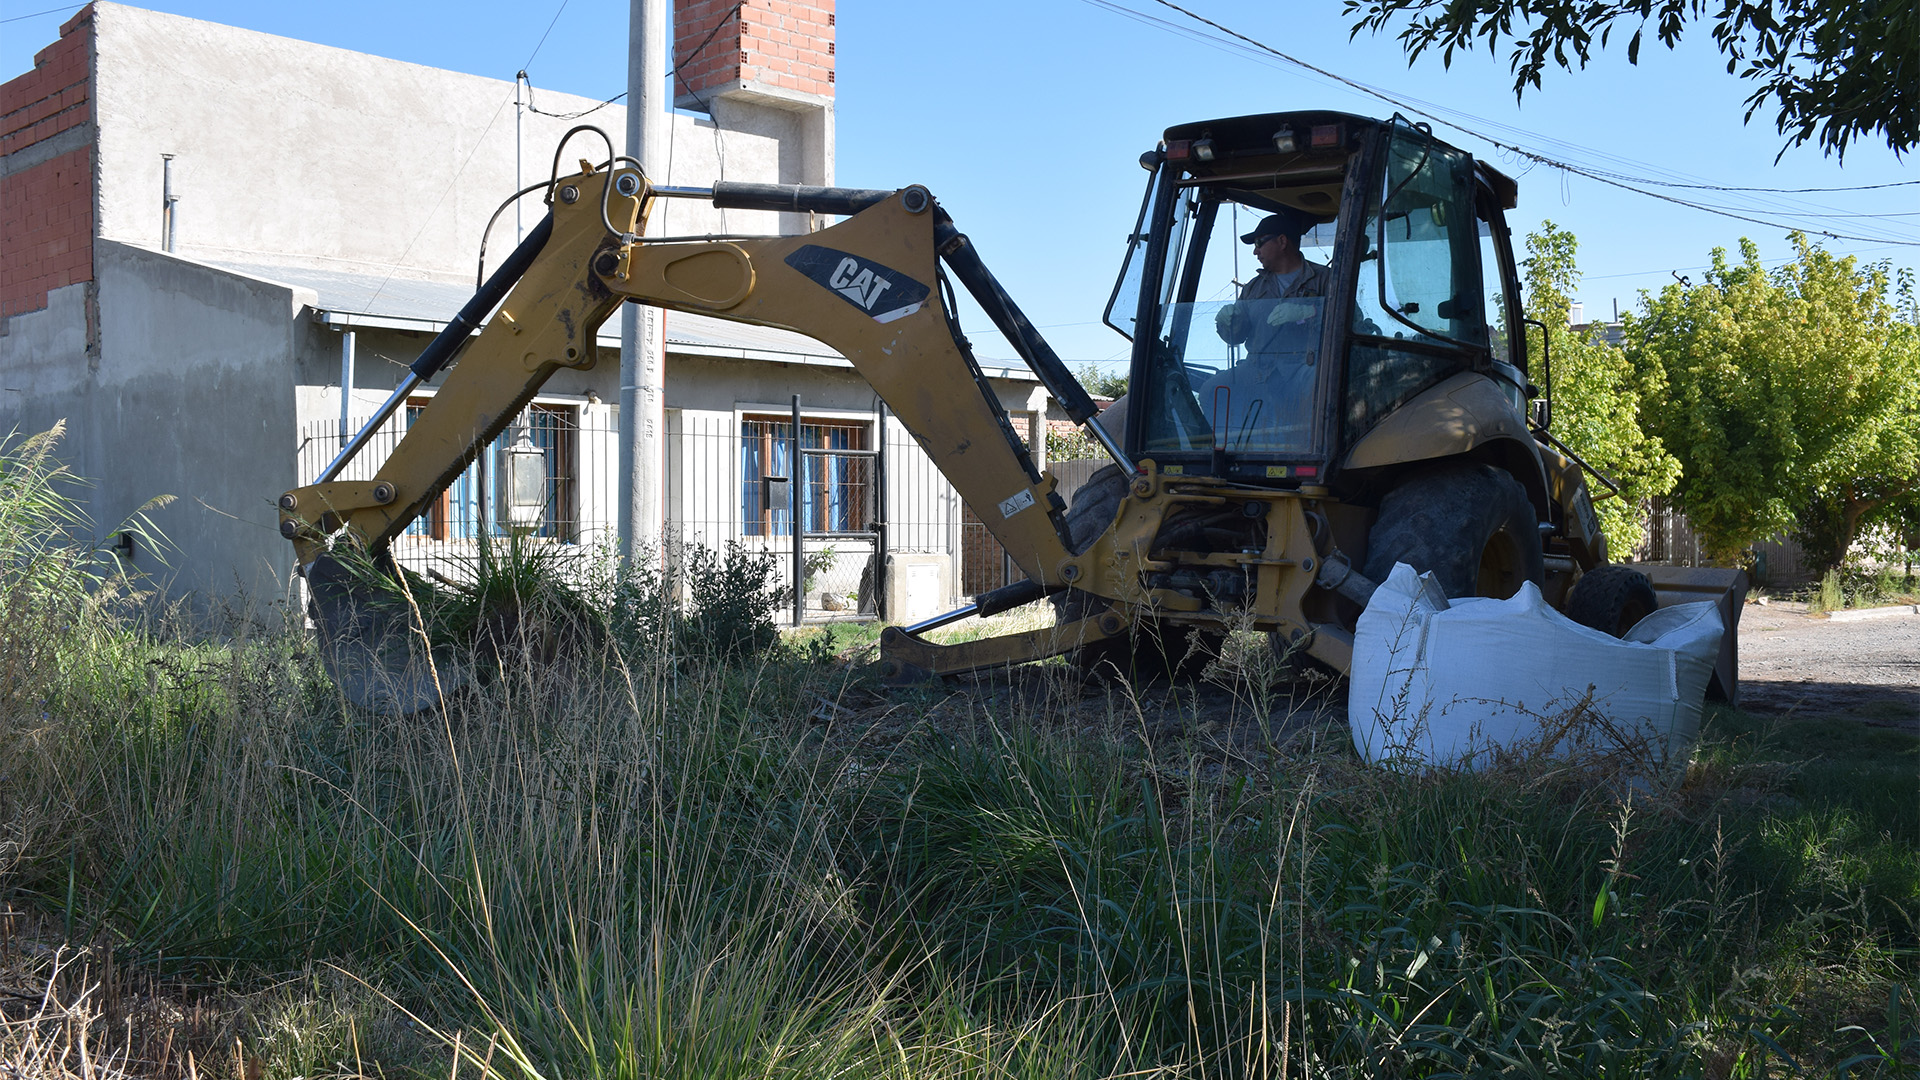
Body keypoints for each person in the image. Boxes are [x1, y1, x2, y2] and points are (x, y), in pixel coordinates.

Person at [1202, 208, 1329, 447]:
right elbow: (1235, 338)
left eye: (1260, 242)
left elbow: (1354, 318)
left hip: (1307, 367)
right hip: (1259, 369)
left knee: (1317, 389)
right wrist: (1227, 322)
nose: (1255, 251)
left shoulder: (1324, 278)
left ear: (1282, 241)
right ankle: (1226, 454)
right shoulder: (1253, 288)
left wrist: (1309, 311)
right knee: (1212, 389)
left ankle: (1306, 450)